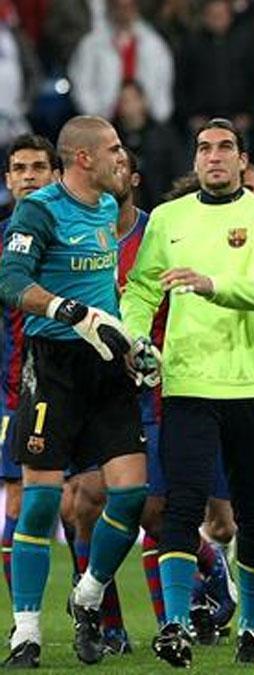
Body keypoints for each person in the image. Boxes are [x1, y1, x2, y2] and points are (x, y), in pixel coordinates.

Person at [121, 118, 254, 667]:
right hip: (189, 384)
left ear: (242, 160)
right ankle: (173, 625)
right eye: (203, 149)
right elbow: (143, 288)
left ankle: (251, 627)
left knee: (253, 513)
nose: (213, 157)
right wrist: (134, 337)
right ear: (195, 161)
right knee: (180, 506)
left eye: (224, 148)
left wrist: (208, 284)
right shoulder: (168, 220)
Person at [0, 116, 146, 668]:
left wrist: (130, 341)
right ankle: (27, 633)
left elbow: (106, 285)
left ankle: (86, 596)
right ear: (83, 159)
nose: (121, 157)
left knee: (130, 497)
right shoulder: (38, 210)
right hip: (53, 365)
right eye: (112, 148)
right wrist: (69, 310)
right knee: (38, 502)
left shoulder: (109, 209)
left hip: (106, 366)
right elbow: (9, 281)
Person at [0, 134, 58, 608]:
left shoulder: (77, 231)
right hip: (16, 392)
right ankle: (25, 617)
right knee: (19, 500)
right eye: (19, 169)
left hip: (76, 384)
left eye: (38, 167)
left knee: (87, 505)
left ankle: (101, 617)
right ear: (8, 179)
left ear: (56, 175)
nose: (28, 177)